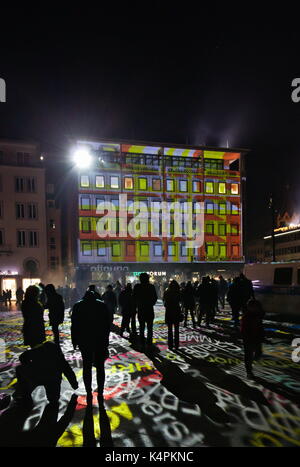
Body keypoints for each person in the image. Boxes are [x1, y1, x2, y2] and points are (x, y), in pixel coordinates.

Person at [71, 291, 111, 403]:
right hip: (99, 339)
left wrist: (74, 340)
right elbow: (107, 324)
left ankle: (88, 391)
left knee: (87, 366)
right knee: (100, 366)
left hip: (85, 340)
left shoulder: (78, 305)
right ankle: (101, 391)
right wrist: (106, 339)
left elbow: (74, 325)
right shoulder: (101, 305)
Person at [13, 341, 78, 407]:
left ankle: (26, 397)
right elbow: (68, 371)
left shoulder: (37, 351)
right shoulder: (58, 356)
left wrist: (30, 365)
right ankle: (50, 399)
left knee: (20, 369)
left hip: (37, 375)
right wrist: (74, 384)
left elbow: (22, 357)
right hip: (52, 379)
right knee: (53, 400)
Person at [241, 299, 265, 379]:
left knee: (258, 352)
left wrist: (262, 336)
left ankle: (251, 364)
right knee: (248, 355)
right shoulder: (246, 316)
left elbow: (260, 326)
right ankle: (249, 371)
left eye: (256, 307)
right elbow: (244, 329)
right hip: (248, 339)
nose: (255, 308)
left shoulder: (258, 315)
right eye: (253, 307)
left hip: (257, 337)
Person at [133, 273, 157, 349]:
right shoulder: (151, 287)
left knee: (141, 327)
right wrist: (150, 304)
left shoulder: (137, 287)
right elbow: (155, 297)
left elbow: (133, 297)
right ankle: (149, 343)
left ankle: (142, 343)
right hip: (149, 309)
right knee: (150, 328)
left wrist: (137, 305)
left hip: (141, 309)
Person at [163, 280, 182, 349]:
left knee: (170, 329)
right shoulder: (178, 292)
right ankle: (176, 344)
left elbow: (164, 301)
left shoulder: (167, 291)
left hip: (169, 311)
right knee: (176, 329)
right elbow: (180, 300)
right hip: (176, 311)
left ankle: (170, 345)